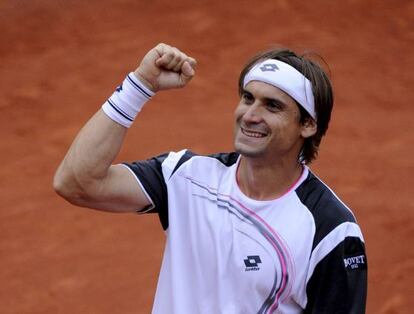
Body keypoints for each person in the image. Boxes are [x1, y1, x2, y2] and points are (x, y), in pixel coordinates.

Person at [54, 43, 367, 313]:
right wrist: (140, 85)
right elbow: (76, 182)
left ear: (308, 124)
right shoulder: (186, 178)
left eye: (272, 105)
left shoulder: (330, 230)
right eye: (248, 98)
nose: (251, 115)